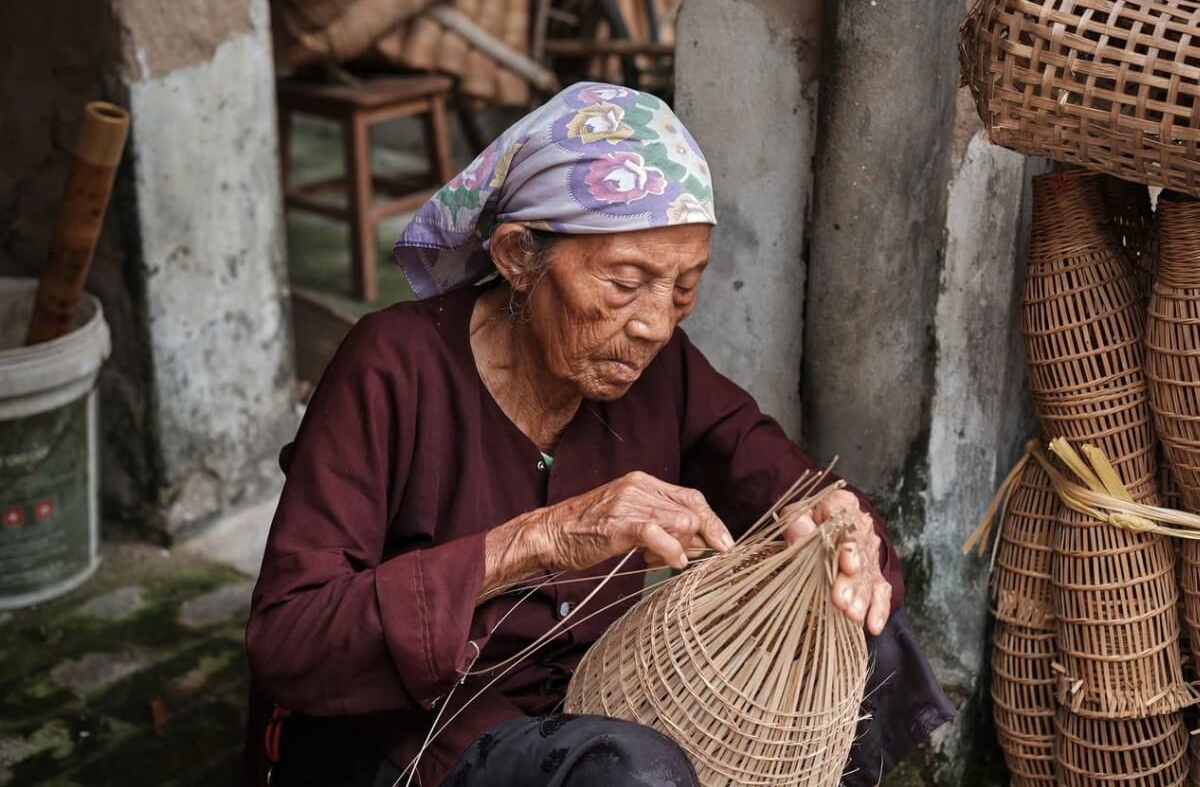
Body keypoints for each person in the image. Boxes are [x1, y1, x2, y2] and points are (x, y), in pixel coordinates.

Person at [245, 82, 953, 787]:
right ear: (520, 256)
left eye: (683, 287)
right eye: (624, 281)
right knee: (631, 774)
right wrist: (541, 538)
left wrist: (843, 531)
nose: (655, 323)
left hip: (593, 704)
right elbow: (288, 640)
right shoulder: (392, 364)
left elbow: (790, 485)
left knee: (854, 615)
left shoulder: (661, 370)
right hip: (412, 738)